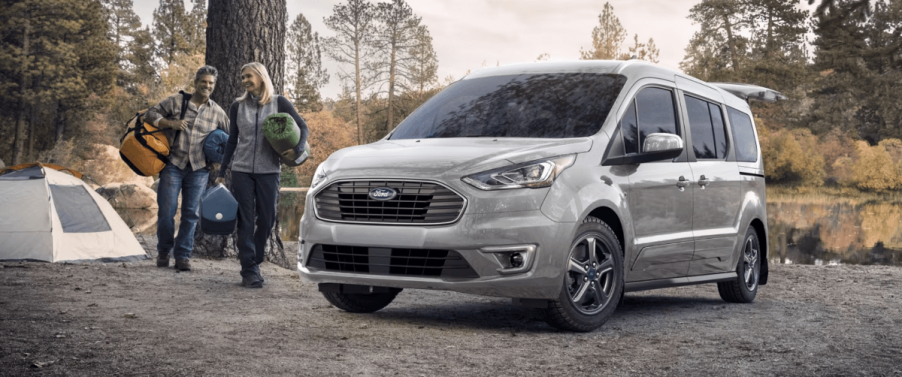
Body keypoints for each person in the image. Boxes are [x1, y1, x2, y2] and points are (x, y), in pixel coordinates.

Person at [217, 62, 309, 288]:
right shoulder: (237, 107)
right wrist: (222, 171)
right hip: (242, 171)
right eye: (242, 77)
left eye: (248, 76)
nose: (245, 80)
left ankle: (255, 257)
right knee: (246, 221)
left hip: (270, 170)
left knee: (267, 219)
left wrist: (297, 150)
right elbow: (232, 141)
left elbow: (303, 127)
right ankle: (249, 269)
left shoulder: (280, 102)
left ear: (261, 77)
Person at [145, 66, 230, 272]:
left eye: (211, 83)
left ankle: (182, 255)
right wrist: (169, 123)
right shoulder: (176, 101)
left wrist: (221, 164)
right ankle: (164, 252)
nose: (207, 86)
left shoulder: (217, 112)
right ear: (196, 81)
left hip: (200, 169)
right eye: (204, 81)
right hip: (173, 164)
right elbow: (150, 114)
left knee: (191, 214)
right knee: (167, 211)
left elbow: (231, 139)